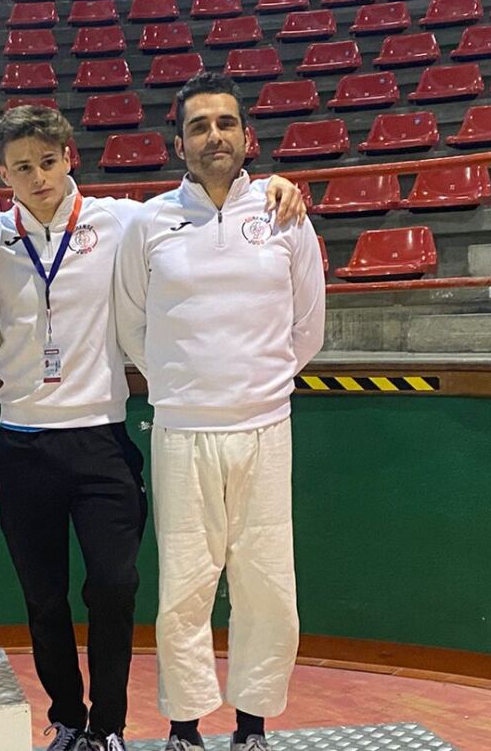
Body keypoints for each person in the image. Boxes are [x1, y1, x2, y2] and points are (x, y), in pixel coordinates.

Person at [0, 105, 306, 751]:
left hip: (101, 437)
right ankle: (67, 720)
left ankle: (108, 726)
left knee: (115, 586)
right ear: (2, 173)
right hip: (22, 439)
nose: (38, 177)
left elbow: (201, 207)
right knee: (44, 599)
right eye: (22, 167)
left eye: (48, 162)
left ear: (70, 157)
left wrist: (278, 184)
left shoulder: (125, 220)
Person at [113, 71, 327, 751]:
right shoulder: (149, 222)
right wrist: (186, 385)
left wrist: (257, 384)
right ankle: (183, 727)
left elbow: (308, 325)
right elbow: (132, 325)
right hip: (182, 430)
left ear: (246, 136)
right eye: (199, 126)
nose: (214, 136)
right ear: (179, 143)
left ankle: (253, 725)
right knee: (184, 586)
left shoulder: (284, 214)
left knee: (267, 585)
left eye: (225, 123)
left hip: (265, 426)